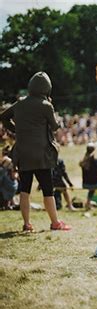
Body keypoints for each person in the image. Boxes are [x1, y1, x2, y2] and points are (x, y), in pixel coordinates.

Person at [0, 72, 70, 231]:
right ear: (47, 88)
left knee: (25, 189)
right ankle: (55, 222)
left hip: (23, 153)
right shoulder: (46, 105)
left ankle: (26, 224)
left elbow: (3, 117)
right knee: (47, 188)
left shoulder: (20, 103)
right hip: (42, 154)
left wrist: (16, 130)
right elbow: (54, 127)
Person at [80, 143, 97, 210]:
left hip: (85, 184)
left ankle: (88, 205)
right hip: (95, 184)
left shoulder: (83, 162)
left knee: (92, 189)